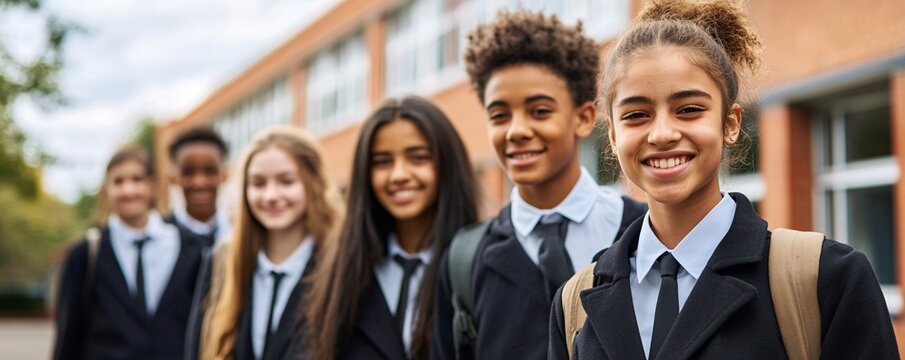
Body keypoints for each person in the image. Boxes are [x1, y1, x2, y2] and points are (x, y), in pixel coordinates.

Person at [548, 0, 900, 359]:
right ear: (611, 135)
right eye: (637, 114)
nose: (662, 134)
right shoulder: (575, 302)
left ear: (730, 123)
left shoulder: (827, 279)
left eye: (689, 109)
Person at [432, 10, 647, 360]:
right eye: (499, 115)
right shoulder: (464, 258)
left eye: (539, 111)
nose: (516, 130)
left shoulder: (644, 234)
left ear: (583, 118)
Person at [303, 96, 478, 360]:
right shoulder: (342, 273)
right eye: (382, 161)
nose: (398, 175)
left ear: (447, 165)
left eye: (418, 158)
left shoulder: (478, 264)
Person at [195, 127, 342, 360]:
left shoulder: (338, 264)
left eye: (286, 181)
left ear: (312, 183)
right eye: (258, 183)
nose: (271, 195)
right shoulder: (223, 260)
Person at [53, 146, 202, 359]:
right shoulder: (85, 254)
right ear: (106, 191)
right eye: (118, 181)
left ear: (153, 185)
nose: (128, 190)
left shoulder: (189, 248)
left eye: (137, 179)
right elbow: (69, 334)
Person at [165, 126, 232, 248]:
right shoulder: (161, 236)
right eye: (188, 172)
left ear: (225, 173)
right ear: (173, 176)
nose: (199, 183)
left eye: (210, 171)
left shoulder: (237, 233)